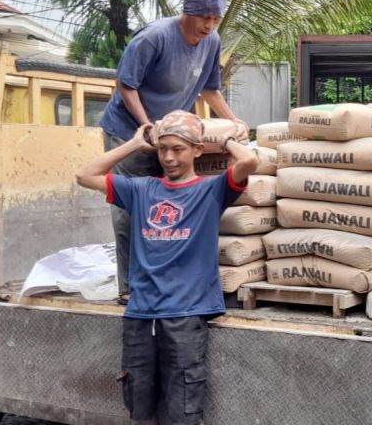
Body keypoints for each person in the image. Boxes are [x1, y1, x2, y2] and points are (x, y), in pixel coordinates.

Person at [77, 109, 258, 425]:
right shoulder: (140, 189)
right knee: (139, 407)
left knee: (183, 409)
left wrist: (226, 138)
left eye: (178, 149)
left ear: (197, 150)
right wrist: (135, 143)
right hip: (140, 314)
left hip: (185, 315)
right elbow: (84, 175)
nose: (169, 157)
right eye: (163, 149)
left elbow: (249, 163)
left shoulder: (211, 191)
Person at [99, 0, 247, 304]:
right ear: (188, 11)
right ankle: (129, 287)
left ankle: (162, 277)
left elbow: (210, 89)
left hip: (169, 134)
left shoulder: (212, 41)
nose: (209, 25)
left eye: (215, 18)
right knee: (130, 207)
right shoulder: (154, 38)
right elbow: (127, 85)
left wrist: (234, 121)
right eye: (204, 17)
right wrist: (146, 127)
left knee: (166, 208)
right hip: (130, 132)